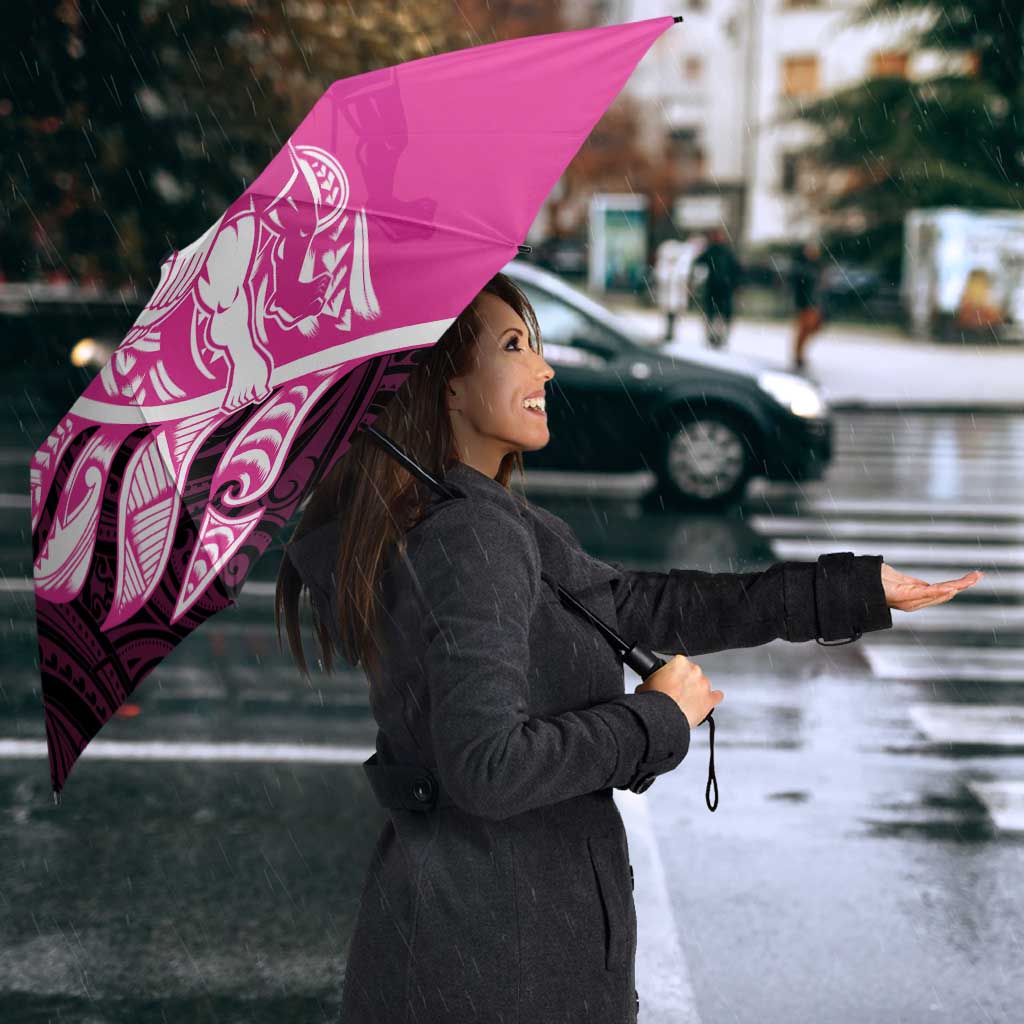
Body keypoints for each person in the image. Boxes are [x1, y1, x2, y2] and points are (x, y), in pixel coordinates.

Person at [276, 272, 981, 1024]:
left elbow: (644, 605)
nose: (544, 368)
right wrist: (655, 719)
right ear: (446, 387)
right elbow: (487, 767)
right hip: (495, 962)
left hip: (482, 944)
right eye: (515, 346)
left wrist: (850, 590)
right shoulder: (470, 537)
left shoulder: (482, 520)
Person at [692, 226, 742, 349]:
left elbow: (736, 270)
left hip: (723, 288)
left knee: (720, 315)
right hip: (715, 288)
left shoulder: (725, 252)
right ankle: (713, 337)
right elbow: (698, 264)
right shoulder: (712, 251)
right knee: (713, 314)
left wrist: (735, 284)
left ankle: (719, 337)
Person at [790, 239, 826, 370]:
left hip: (814, 303)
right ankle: (798, 355)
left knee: (812, 328)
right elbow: (799, 286)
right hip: (805, 303)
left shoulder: (817, 266)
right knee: (804, 329)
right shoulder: (802, 267)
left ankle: (799, 354)